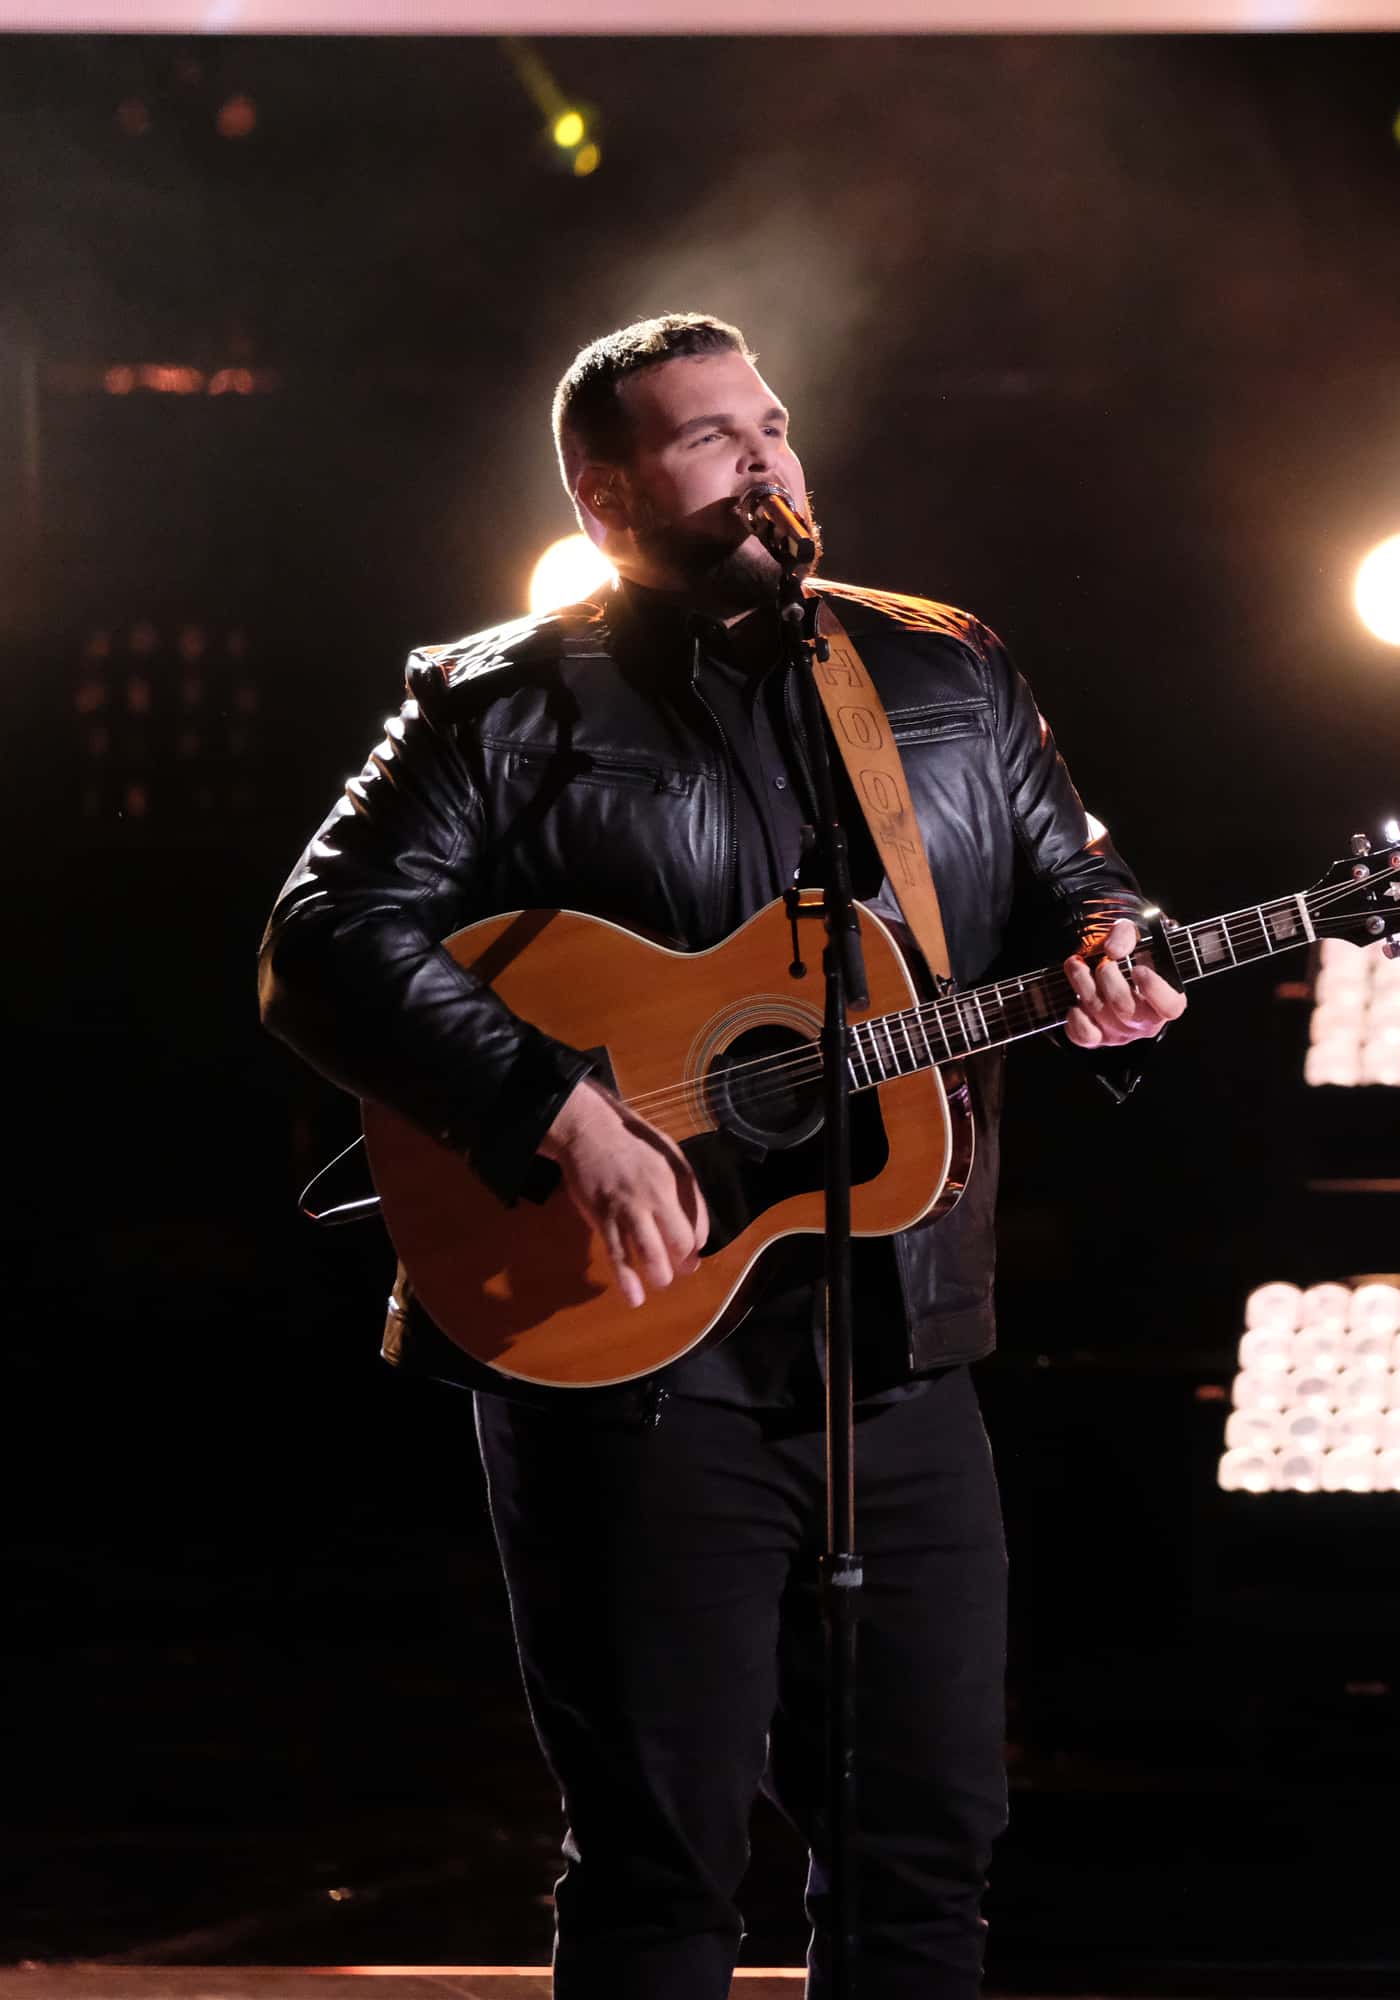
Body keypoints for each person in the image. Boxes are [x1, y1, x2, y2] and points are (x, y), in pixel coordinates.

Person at [258, 312, 1184, 1998]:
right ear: (606, 499)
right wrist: (560, 1112)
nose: (764, 464)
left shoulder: (944, 669)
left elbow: (1074, 879)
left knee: (926, 1853)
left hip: (901, 1349)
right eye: (709, 439)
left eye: (772, 427)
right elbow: (323, 941)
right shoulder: (499, 703)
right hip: (630, 1358)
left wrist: (1115, 949)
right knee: (662, 1865)